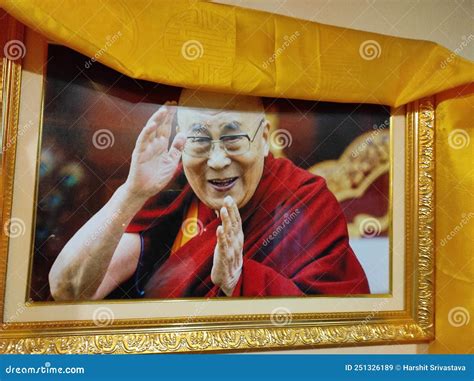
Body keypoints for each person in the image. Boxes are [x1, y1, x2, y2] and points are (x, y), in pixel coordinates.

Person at [49, 89, 369, 300]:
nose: (216, 161)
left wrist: (240, 280)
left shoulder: (302, 201)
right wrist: (131, 192)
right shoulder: (173, 189)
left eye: (233, 140)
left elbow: (333, 331)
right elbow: (69, 289)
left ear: (264, 139)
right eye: (200, 142)